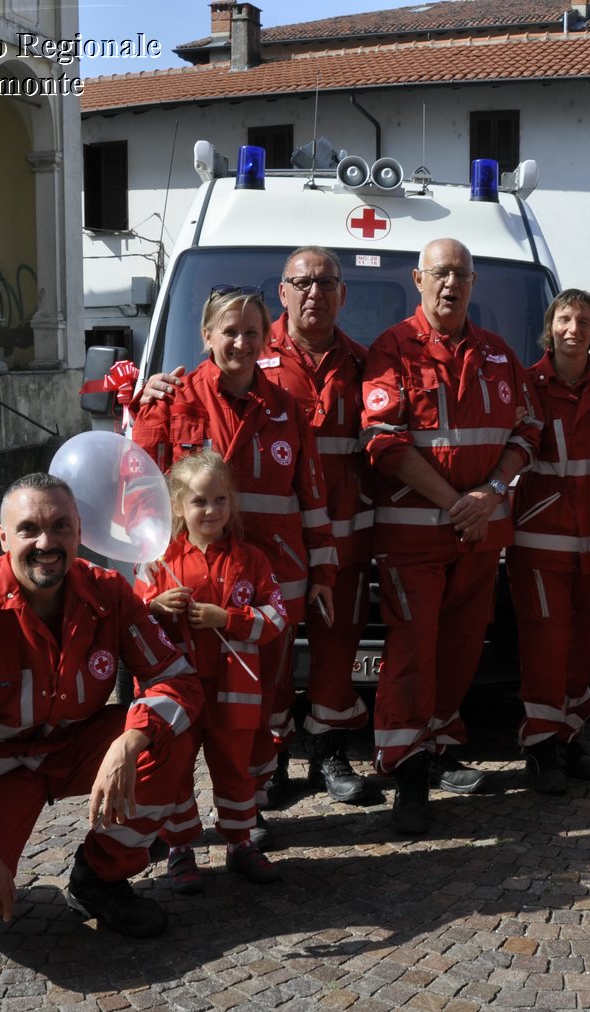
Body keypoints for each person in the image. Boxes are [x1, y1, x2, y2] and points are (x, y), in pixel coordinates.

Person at [0, 474, 201, 938]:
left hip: (71, 749)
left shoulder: (110, 593)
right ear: (3, 537)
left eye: (61, 526)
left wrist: (131, 741)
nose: (47, 542)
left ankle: (100, 879)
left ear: (80, 530)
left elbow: (176, 678)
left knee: (169, 734)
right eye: (29, 529)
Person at [131, 286, 336, 839]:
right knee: (169, 701)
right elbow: (139, 497)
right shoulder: (170, 400)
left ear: (267, 336)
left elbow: (312, 494)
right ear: (207, 336)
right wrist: (147, 583)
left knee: (264, 703)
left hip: (270, 578)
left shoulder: (287, 408)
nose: (241, 342)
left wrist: (324, 571)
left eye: (252, 332)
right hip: (184, 583)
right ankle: (160, 821)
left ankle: (251, 805)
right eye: (229, 331)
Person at [359, 237, 542, 833]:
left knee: (462, 650)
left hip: (479, 538)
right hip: (415, 540)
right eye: (439, 273)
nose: (450, 284)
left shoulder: (497, 353)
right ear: (418, 279)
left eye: (461, 274)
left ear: (473, 282)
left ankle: (438, 746)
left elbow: (528, 432)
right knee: (412, 653)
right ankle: (407, 773)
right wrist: (458, 503)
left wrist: (492, 493)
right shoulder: (392, 350)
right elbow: (383, 443)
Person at [258, 246, 377, 805]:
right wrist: (157, 387)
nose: (315, 293)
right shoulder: (249, 358)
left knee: (336, 653)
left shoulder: (365, 364)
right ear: (281, 293)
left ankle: (329, 754)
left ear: (343, 294)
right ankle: (273, 760)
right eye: (302, 283)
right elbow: (198, 398)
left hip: (346, 541)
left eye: (327, 283)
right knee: (272, 658)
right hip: (273, 547)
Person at [138, 452, 285, 891]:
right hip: (177, 688)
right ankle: (180, 848)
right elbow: (130, 620)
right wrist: (155, 607)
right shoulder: (158, 559)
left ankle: (240, 842)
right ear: (178, 507)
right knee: (175, 767)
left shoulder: (251, 559)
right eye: (199, 501)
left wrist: (229, 620)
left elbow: (277, 618)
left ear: (232, 504)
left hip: (235, 689)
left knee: (235, 767)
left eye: (220, 500)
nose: (211, 510)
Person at [508, 289, 590, 794]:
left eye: (584, 319)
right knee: (546, 644)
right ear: (550, 326)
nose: (574, 328)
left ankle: (569, 733)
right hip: (542, 536)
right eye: (565, 318)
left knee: (585, 646)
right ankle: (541, 748)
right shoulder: (528, 382)